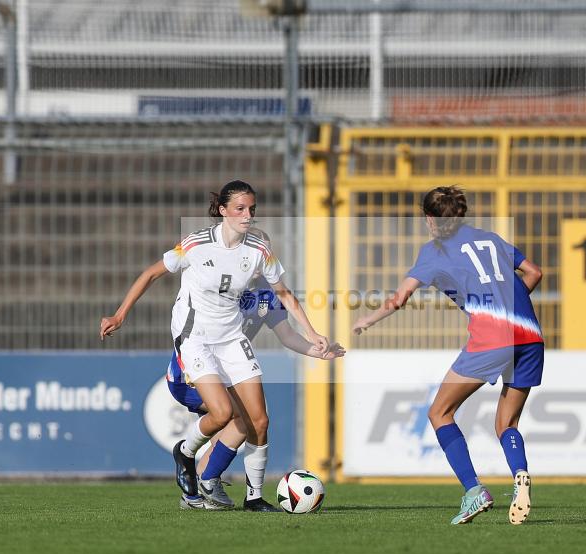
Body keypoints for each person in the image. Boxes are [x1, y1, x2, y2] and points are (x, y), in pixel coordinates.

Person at [100, 180, 328, 512]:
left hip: (231, 339)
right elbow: (150, 274)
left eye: (252, 209)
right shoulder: (195, 244)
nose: (247, 215)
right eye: (240, 209)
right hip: (195, 339)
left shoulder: (259, 251)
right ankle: (186, 453)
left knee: (258, 421)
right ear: (222, 211)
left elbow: (285, 296)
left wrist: (313, 335)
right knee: (223, 414)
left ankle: (253, 498)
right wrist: (120, 315)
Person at [351, 186, 544, 526]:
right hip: (530, 334)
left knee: (440, 412)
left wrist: (367, 319)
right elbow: (534, 273)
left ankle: (474, 491)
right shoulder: (491, 239)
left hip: (492, 338)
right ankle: (520, 475)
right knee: (507, 423)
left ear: (429, 218)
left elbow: (399, 299)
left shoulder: (434, 251)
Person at [170, 249, 345, 511]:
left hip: (228, 374)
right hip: (188, 374)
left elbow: (286, 335)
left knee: (245, 420)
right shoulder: (220, 283)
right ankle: (204, 475)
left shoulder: (266, 293)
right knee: (244, 418)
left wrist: (316, 351)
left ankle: (202, 489)